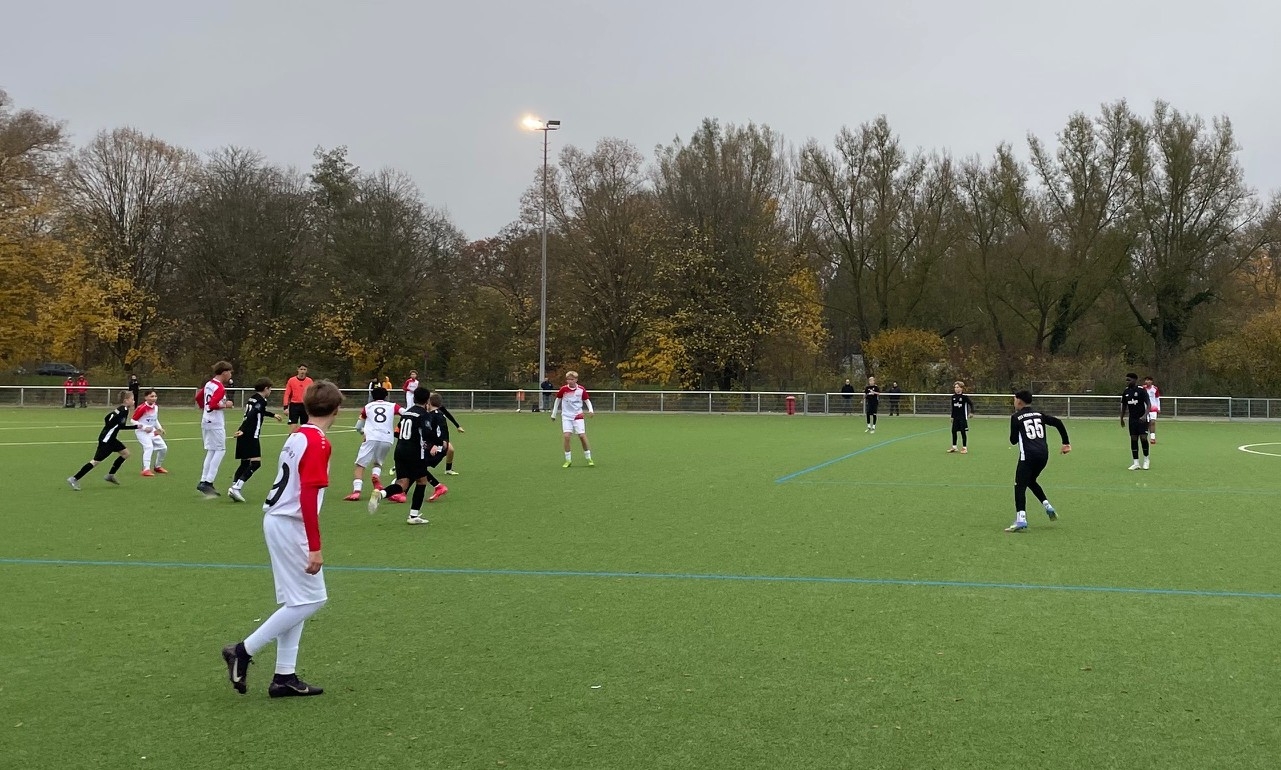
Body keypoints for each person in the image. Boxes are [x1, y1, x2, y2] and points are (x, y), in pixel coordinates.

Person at [221, 380, 343, 699]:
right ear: (336, 410)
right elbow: (307, 496)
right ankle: (243, 651)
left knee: (297, 601)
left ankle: (284, 677)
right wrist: (315, 547)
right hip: (291, 524)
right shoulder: (318, 442)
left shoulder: (297, 435)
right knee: (312, 600)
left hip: (278, 520)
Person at [367, 386, 447, 524]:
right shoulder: (424, 415)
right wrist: (441, 442)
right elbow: (427, 432)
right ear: (427, 400)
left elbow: (397, 431)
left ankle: (381, 494)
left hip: (400, 450)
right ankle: (413, 516)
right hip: (414, 452)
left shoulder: (407, 413)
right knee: (422, 481)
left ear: (414, 398)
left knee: (402, 484)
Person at [1005, 390, 1071, 533]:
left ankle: (1021, 519)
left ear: (1019, 401)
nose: (1014, 402)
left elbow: (1013, 440)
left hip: (1028, 456)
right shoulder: (1039, 414)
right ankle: (1048, 507)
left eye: (1014, 399)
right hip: (1043, 455)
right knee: (1030, 481)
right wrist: (1066, 442)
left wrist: (1017, 429)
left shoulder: (1016, 417)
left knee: (1019, 485)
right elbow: (1058, 422)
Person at [67, 390, 136, 489]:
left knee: (126, 454)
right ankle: (74, 478)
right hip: (107, 440)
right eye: (132, 399)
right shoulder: (124, 410)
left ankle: (110, 475)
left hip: (110, 438)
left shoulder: (120, 408)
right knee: (95, 461)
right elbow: (121, 426)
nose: (134, 401)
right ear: (126, 400)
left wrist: (109, 427)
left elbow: (107, 418)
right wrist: (137, 427)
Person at [229, 378, 283, 503]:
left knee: (244, 464)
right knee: (256, 463)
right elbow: (253, 413)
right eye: (270, 389)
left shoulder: (252, 398)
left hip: (244, 433)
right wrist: (243, 429)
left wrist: (273, 415)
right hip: (251, 434)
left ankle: (234, 486)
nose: (270, 391)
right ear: (266, 388)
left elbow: (259, 410)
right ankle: (236, 488)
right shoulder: (261, 400)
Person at [343, 386, 401, 501]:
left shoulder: (368, 407)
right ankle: (375, 476)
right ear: (386, 396)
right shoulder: (393, 406)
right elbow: (406, 413)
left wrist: (363, 432)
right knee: (378, 462)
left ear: (372, 396)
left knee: (360, 465)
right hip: (387, 438)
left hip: (371, 437)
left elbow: (358, 427)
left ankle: (356, 492)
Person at [197, 361, 236, 498]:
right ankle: (209, 481)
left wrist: (204, 408)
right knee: (220, 450)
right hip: (215, 423)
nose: (230, 375)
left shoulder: (209, 384)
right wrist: (227, 405)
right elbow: (213, 404)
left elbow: (198, 397)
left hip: (206, 420)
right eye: (230, 372)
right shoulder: (219, 387)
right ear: (224, 372)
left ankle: (204, 480)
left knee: (211, 450)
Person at [550, 370, 594, 467]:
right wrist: (554, 414)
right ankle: (568, 460)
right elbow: (557, 400)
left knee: (582, 436)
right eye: (568, 379)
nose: (570, 381)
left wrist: (591, 410)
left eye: (572, 379)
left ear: (576, 380)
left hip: (578, 415)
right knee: (566, 436)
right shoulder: (563, 389)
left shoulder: (581, 389)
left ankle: (588, 457)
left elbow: (587, 400)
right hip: (566, 416)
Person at [132, 388, 169, 476]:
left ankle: (157, 467)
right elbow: (133, 420)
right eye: (151, 396)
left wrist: (160, 428)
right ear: (146, 397)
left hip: (152, 431)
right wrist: (144, 427)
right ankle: (146, 469)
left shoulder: (155, 407)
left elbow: (155, 419)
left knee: (163, 448)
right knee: (149, 447)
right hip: (142, 432)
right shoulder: (142, 408)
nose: (154, 398)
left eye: (155, 396)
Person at [1121, 372, 1152, 471]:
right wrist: (1121, 418)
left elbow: (1148, 404)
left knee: (1143, 438)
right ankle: (1136, 463)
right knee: (1133, 439)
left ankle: (1146, 460)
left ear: (1135, 380)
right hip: (1132, 419)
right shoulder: (1126, 392)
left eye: (1129, 380)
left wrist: (1145, 415)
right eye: (1126, 380)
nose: (1127, 381)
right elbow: (1124, 405)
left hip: (1142, 419)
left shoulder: (1141, 390)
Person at [948, 381, 975, 454]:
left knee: (963, 432)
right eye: (955, 387)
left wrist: (972, 412)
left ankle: (964, 448)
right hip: (955, 418)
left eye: (957, 387)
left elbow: (971, 404)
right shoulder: (953, 397)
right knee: (953, 431)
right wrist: (952, 416)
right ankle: (954, 447)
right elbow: (953, 408)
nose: (956, 389)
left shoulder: (964, 397)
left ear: (961, 388)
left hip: (962, 417)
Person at [1143, 376, 1161, 444]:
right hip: (1145, 408)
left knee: (1152, 422)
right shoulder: (1143, 388)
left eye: (1149, 380)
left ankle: (1152, 438)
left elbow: (1157, 398)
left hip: (1153, 407)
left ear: (1152, 381)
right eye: (1146, 380)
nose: (1148, 381)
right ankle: (1145, 436)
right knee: (1146, 423)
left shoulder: (1155, 388)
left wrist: (1158, 408)